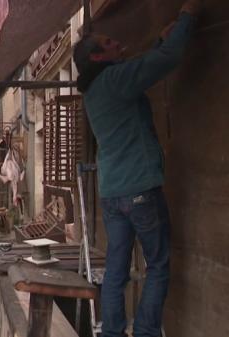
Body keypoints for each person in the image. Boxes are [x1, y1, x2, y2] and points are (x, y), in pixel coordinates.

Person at [72, 1, 201, 336]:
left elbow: (143, 66)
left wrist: (159, 40)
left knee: (116, 270)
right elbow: (164, 62)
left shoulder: (95, 89)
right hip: (140, 187)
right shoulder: (115, 79)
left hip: (113, 193)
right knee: (157, 264)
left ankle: (112, 332)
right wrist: (187, 16)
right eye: (108, 43)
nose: (117, 42)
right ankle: (144, 332)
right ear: (98, 57)